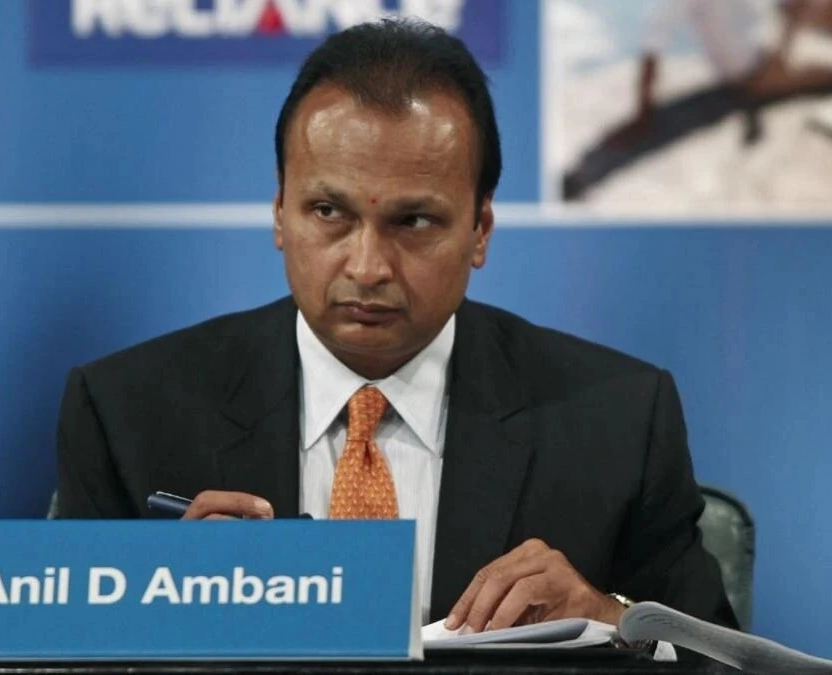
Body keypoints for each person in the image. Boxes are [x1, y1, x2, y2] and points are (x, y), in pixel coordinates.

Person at [55, 18, 737, 633]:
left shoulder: (616, 421)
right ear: (279, 212)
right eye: (329, 212)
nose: (368, 265)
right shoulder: (128, 414)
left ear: (480, 229)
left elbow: (717, 658)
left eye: (414, 221)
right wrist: (155, 610)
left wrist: (609, 617)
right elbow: (58, 653)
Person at [621, 0, 832, 144]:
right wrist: (643, 116)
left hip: (773, 39)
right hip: (761, 71)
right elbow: (651, 47)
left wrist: (794, 11)